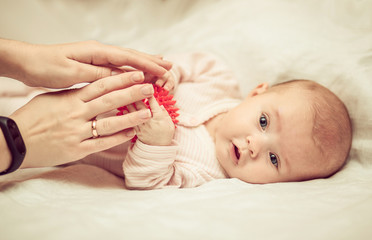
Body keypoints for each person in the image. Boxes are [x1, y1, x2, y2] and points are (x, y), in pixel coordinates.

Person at [79, 52, 352, 189]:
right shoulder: (218, 81)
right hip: (87, 82)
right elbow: (192, 61)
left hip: (74, 140)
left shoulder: (206, 175)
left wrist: (156, 143)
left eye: (274, 160)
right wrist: (170, 75)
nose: (255, 145)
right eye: (264, 122)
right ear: (257, 93)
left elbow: (144, 181)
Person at [0, 38, 173, 175]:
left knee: (8, 105)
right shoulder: (201, 80)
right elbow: (183, 66)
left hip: (65, 136)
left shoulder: (196, 164)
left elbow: (149, 178)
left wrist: (157, 144)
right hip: (73, 88)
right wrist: (166, 76)